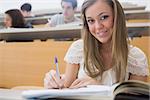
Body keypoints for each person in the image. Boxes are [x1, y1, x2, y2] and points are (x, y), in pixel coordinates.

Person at [44, 0, 149, 89]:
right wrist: (54, 83)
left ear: (117, 17)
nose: (98, 26)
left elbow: (135, 97)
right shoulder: (78, 49)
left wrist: (99, 88)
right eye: (91, 21)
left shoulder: (136, 58)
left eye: (104, 17)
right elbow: (66, 88)